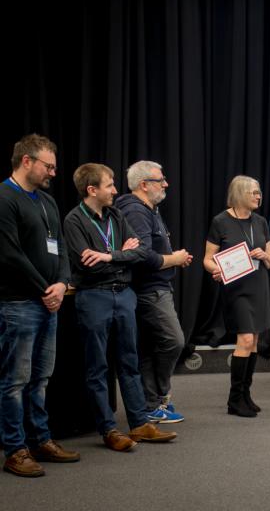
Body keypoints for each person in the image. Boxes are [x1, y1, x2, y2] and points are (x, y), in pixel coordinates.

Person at [63, 163, 176, 451]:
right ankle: (109, 429)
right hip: (94, 298)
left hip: (125, 295)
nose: (116, 190)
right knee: (98, 366)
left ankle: (139, 424)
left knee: (129, 362)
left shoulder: (115, 215)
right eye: (110, 185)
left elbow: (140, 253)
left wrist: (109, 256)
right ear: (92, 190)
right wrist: (122, 253)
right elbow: (83, 266)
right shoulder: (74, 220)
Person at [0, 134, 80, 477]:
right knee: (14, 382)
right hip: (18, 304)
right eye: (48, 165)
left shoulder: (47, 201)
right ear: (27, 161)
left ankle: (40, 440)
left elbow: (60, 247)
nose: (53, 171)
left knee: (40, 378)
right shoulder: (4, 197)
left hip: (50, 302)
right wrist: (45, 289)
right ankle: (15, 449)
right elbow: (8, 253)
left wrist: (62, 284)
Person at [115, 161, 192, 423]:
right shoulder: (136, 211)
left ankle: (152, 404)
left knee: (150, 347)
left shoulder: (150, 208)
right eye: (161, 180)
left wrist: (176, 257)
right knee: (174, 340)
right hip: (150, 289)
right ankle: (159, 396)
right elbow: (142, 255)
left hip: (155, 287)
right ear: (144, 185)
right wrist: (173, 259)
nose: (166, 184)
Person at [203, 175, 270, 417]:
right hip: (236, 289)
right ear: (239, 194)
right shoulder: (220, 221)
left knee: (254, 342)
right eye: (253, 192)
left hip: (258, 286)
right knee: (244, 340)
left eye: (259, 192)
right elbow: (207, 260)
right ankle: (234, 400)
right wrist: (219, 269)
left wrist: (264, 256)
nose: (258, 196)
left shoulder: (261, 222)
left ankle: (246, 394)